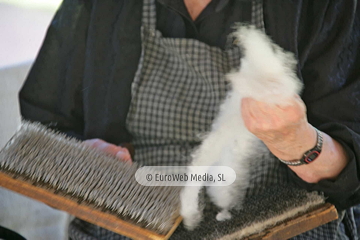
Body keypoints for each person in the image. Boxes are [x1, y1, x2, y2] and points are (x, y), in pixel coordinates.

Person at [19, 0, 360, 239]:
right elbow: (46, 124)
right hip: (123, 230)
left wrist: (294, 141)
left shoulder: (322, 6)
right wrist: (80, 161)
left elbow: (351, 175)